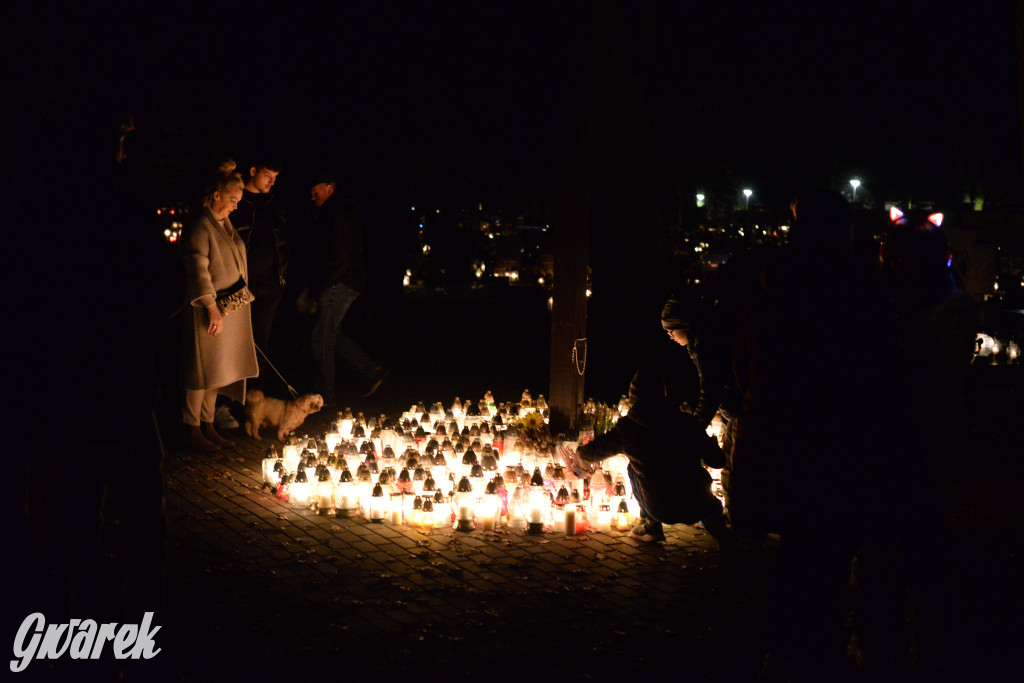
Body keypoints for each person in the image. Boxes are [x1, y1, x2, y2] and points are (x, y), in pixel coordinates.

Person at [731, 188, 899, 681]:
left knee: (799, 550)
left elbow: (747, 368)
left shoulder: (772, 289)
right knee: (826, 551)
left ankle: (785, 649)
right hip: (837, 444)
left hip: (782, 438)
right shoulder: (855, 292)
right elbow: (875, 372)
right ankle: (814, 651)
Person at [575, 367, 732, 546]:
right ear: (663, 395)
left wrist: (578, 465)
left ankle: (652, 526)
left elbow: (592, 451)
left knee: (632, 468)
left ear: (633, 397)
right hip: (698, 504)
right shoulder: (686, 423)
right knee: (706, 504)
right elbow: (718, 460)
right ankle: (721, 533)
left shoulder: (628, 429)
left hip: (660, 508)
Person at [181, 162, 259, 451]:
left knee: (216, 370)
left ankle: (208, 424)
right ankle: (192, 427)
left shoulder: (222, 223)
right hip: (209, 309)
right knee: (201, 370)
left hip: (228, 309)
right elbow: (198, 267)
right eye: (232, 200)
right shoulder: (201, 224)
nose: (235, 207)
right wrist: (210, 305)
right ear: (216, 196)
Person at [307, 173, 387, 403]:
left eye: (316, 191)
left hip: (340, 283)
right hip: (345, 281)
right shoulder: (337, 212)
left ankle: (325, 393)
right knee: (333, 333)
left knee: (320, 337)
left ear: (329, 188)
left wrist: (328, 283)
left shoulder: (338, 214)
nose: (312, 196)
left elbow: (339, 254)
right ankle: (373, 371)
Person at [233, 159, 288, 391]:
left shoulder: (273, 205)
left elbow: (283, 242)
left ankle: (255, 396)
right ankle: (229, 398)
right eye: (268, 174)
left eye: (275, 176)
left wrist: (280, 278)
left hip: (270, 284)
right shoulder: (237, 202)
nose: (272, 181)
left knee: (260, 345)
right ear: (253, 171)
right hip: (241, 284)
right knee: (236, 343)